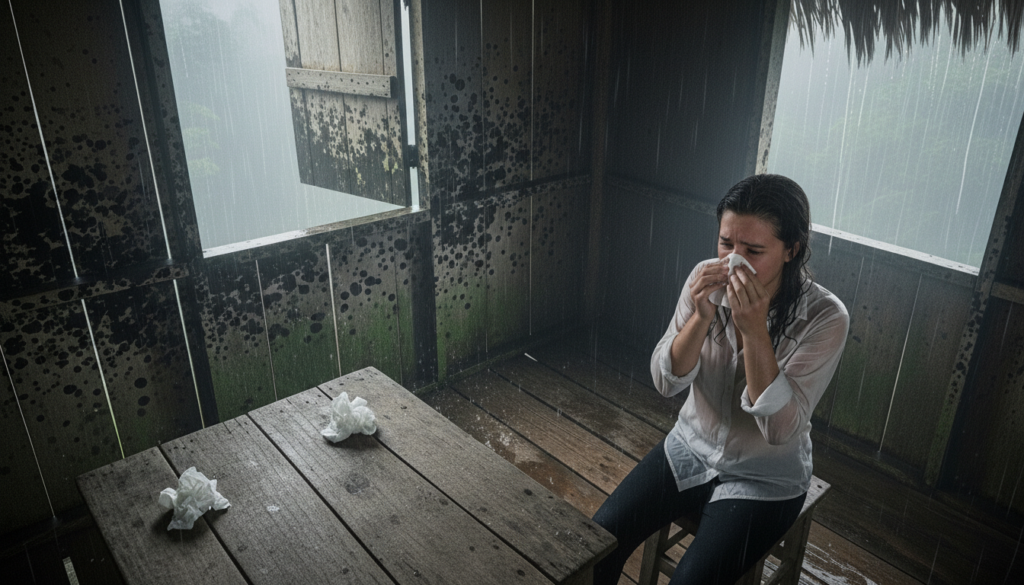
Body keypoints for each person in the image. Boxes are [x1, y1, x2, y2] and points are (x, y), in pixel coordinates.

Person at [592, 174, 849, 584]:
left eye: (754, 251)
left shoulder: (825, 317)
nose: (734, 262)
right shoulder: (705, 277)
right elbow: (666, 383)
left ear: (792, 250)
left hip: (765, 477)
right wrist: (701, 316)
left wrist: (755, 331)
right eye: (726, 243)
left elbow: (779, 429)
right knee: (596, 546)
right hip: (689, 447)